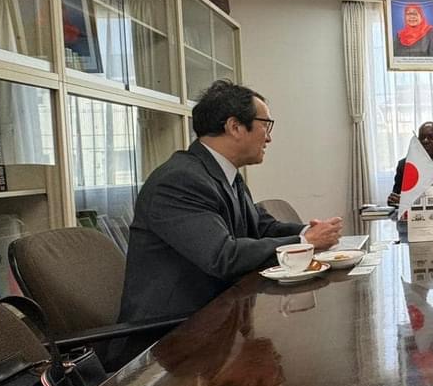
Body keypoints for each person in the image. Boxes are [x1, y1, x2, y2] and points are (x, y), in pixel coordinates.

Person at [121, 80, 343, 323]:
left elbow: (260, 227)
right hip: (173, 330)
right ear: (235, 127)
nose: (268, 138)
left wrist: (307, 232)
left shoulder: (225, 174)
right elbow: (222, 256)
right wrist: (304, 242)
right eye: (265, 125)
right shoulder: (179, 180)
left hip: (220, 314)